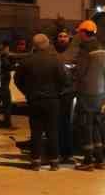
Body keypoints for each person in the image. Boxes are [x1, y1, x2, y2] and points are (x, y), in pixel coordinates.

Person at [15, 33, 70, 169]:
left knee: (36, 131)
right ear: (46, 44)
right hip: (52, 100)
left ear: (34, 45)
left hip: (34, 99)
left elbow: (17, 80)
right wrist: (58, 92)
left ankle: (35, 161)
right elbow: (65, 80)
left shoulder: (27, 61)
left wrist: (27, 92)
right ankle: (54, 162)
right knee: (52, 131)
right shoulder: (56, 60)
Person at [71, 20, 105, 170]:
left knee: (85, 125)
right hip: (99, 91)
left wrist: (72, 72)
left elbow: (81, 71)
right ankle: (99, 159)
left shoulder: (85, 49)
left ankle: (88, 160)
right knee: (95, 125)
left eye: (79, 32)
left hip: (86, 91)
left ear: (83, 33)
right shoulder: (101, 48)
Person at [53, 26, 79, 164]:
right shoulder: (52, 52)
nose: (62, 39)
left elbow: (79, 69)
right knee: (55, 124)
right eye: (60, 36)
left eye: (64, 36)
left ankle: (67, 153)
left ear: (69, 38)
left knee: (66, 123)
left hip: (69, 92)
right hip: (55, 92)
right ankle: (55, 153)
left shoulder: (74, 52)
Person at [0, 35, 24, 129]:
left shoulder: (2, 55)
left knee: (2, 104)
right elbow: (8, 66)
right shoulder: (2, 56)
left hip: (2, 83)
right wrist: (16, 66)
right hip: (2, 84)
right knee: (6, 104)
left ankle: (3, 122)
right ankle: (5, 123)